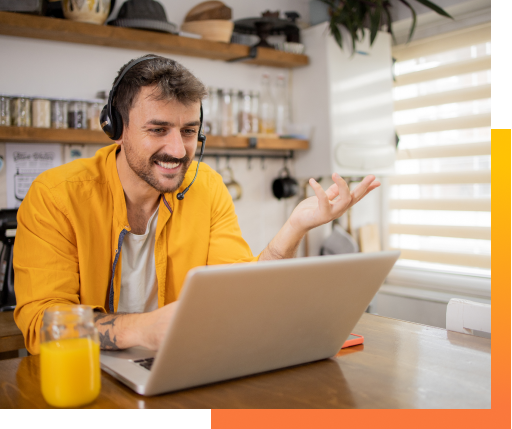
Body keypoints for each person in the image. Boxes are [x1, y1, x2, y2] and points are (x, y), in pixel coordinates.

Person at [13, 55, 380, 355]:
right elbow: (42, 324)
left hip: (178, 367)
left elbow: (238, 295)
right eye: (158, 130)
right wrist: (142, 329)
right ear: (117, 128)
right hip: (84, 374)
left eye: (189, 131)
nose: (177, 150)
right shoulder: (55, 196)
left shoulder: (205, 186)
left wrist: (295, 227)